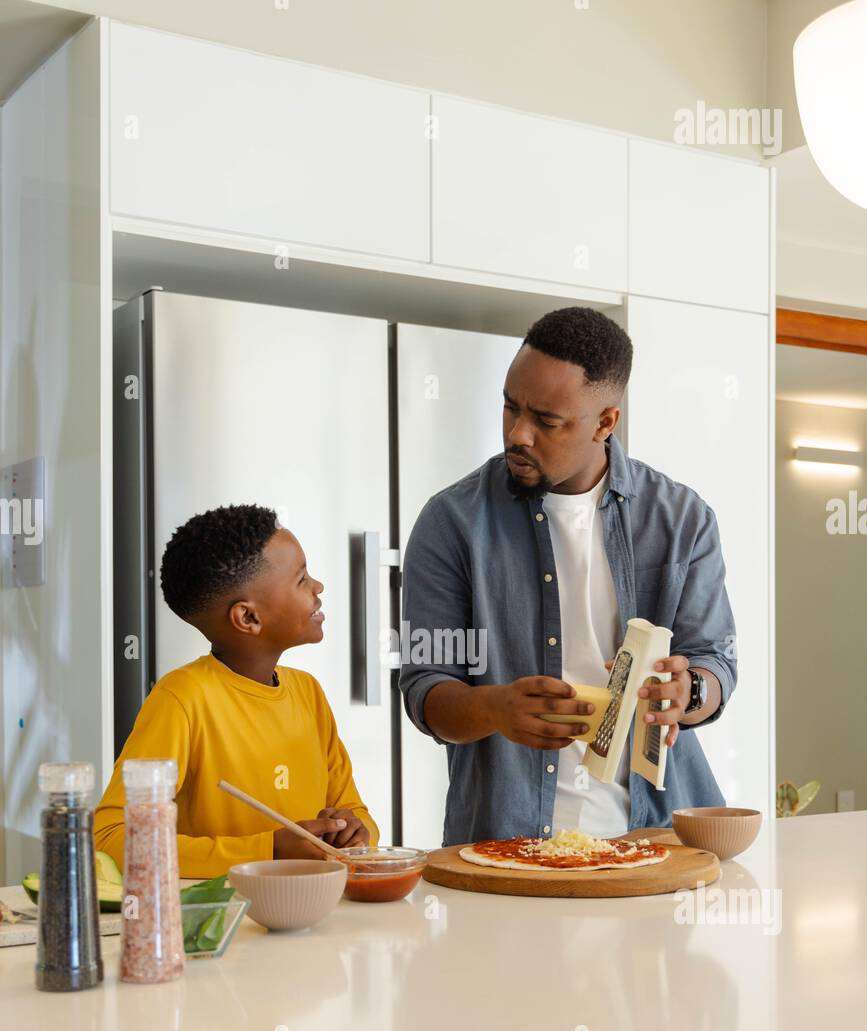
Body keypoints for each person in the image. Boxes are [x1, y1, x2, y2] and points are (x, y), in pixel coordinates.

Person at [399, 306, 737, 845]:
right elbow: (425, 688)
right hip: (506, 846)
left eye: (546, 420)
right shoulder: (451, 523)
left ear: (606, 421)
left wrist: (689, 690)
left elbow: (715, 661)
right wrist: (494, 707)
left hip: (658, 842)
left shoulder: (682, 520)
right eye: (510, 408)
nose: (518, 434)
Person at [95, 504, 376, 876]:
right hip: (221, 928)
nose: (318, 587)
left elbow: (357, 814)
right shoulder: (183, 699)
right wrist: (267, 850)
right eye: (301, 579)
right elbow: (111, 840)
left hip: (311, 920)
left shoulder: (308, 693)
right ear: (248, 618)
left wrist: (355, 832)